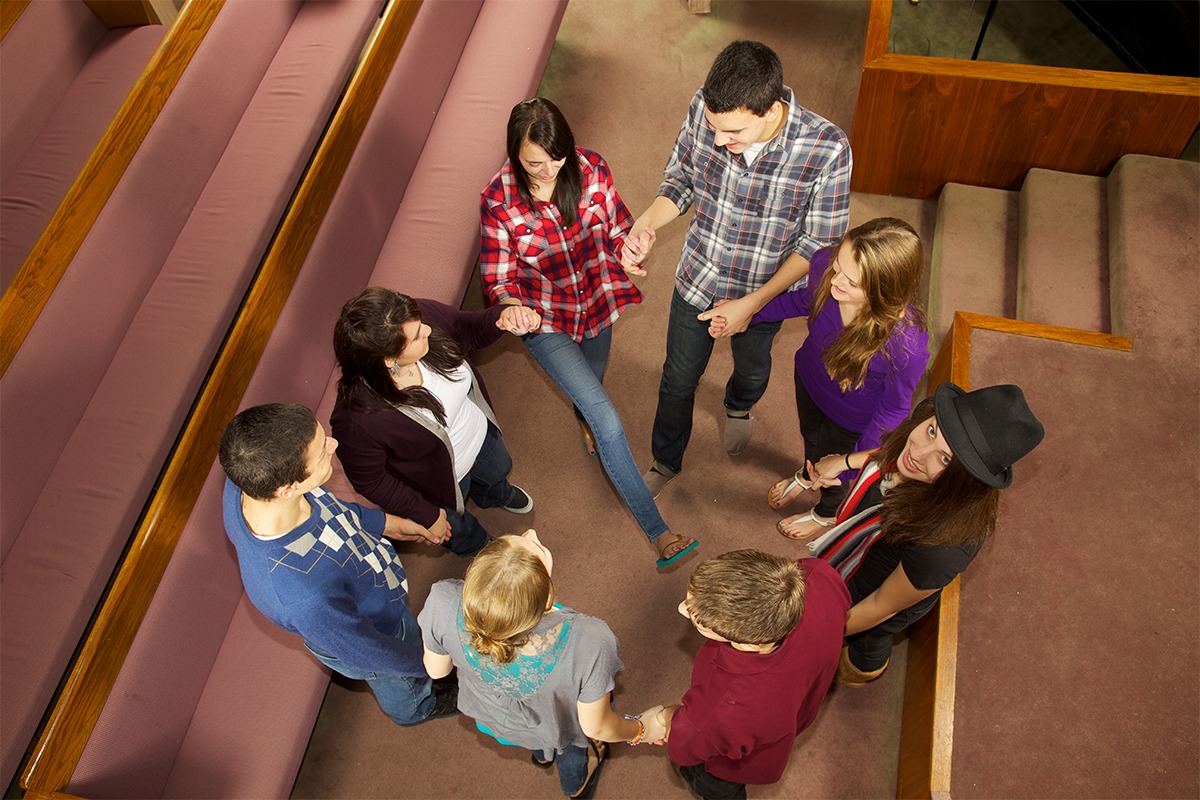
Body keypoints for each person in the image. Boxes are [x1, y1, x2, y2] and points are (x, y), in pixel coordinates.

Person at [624, 40, 852, 497]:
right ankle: (666, 459)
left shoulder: (827, 149)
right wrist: (646, 223)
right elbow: (682, 177)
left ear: (771, 111)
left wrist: (753, 304)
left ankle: (738, 406)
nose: (719, 142)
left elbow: (818, 247)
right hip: (699, 275)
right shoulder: (707, 108)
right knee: (676, 379)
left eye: (733, 134)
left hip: (764, 291)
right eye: (713, 129)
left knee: (752, 370)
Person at [479, 97, 697, 568]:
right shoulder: (498, 201)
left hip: (597, 302)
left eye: (558, 158)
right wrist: (513, 307)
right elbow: (498, 278)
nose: (551, 170)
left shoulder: (590, 166)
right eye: (536, 162)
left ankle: (583, 414)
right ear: (515, 153)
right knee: (608, 419)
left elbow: (618, 227)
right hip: (546, 320)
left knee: (591, 385)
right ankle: (659, 533)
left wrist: (629, 250)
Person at [218, 403, 458, 725]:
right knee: (400, 681)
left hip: (370, 585)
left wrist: (388, 524)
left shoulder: (248, 482)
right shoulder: (303, 597)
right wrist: (428, 663)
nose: (334, 444)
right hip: (374, 629)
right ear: (287, 490)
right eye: (322, 453)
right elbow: (367, 650)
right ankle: (418, 708)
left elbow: (335, 513)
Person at [802, 382, 1044, 686]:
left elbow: (880, 605)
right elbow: (890, 452)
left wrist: (813, 635)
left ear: (964, 481)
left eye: (945, 459)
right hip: (871, 539)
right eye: (931, 431)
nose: (917, 453)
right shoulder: (919, 437)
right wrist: (845, 461)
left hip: (883, 587)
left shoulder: (943, 548)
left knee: (870, 636)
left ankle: (866, 668)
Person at [419, 530, 669, 799]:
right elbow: (596, 727)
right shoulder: (590, 640)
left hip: (493, 718)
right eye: (532, 544)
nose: (532, 532)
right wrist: (642, 730)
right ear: (548, 598)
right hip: (555, 727)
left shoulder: (442, 598)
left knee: (538, 743)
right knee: (572, 750)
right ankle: (575, 787)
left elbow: (437, 671)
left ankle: (540, 756)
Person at [745, 217, 928, 540]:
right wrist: (750, 313)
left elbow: (893, 411)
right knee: (811, 439)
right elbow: (804, 300)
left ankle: (827, 511)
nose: (836, 281)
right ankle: (806, 473)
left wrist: (850, 463)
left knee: (833, 467)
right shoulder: (825, 265)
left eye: (853, 282)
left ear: (885, 291)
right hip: (809, 380)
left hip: (850, 418)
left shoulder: (906, 344)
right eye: (839, 265)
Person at [330, 288, 532, 558]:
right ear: (388, 360)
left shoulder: (417, 319)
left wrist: (501, 318)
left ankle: (495, 493)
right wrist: (425, 514)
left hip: (480, 434)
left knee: (499, 468)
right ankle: (481, 547)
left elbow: (464, 327)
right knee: (460, 531)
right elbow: (372, 481)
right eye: (416, 337)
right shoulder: (355, 419)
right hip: (438, 485)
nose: (427, 329)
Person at [657, 549, 850, 799]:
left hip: (729, 767)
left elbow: (683, 749)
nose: (681, 609)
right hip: (800, 701)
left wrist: (667, 716)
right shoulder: (818, 573)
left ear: (749, 645)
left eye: (695, 617)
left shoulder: (722, 705)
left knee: (715, 786)